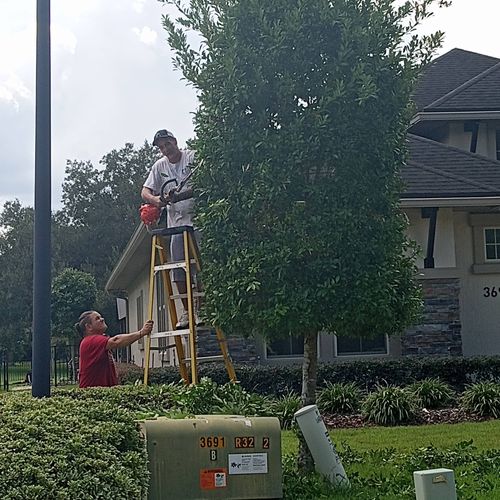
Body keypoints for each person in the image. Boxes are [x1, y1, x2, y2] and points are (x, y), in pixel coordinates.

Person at [141, 129, 201, 328]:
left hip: (199, 221)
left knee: (201, 268)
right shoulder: (159, 166)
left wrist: (180, 196)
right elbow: (145, 191)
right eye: (161, 147)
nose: (165, 149)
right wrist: (157, 200)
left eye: (167, 144)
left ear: (175, 141)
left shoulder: (192, 157)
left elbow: (205, 183)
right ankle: (187, 312)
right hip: (176, 225)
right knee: (178, 271)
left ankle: (203, 309)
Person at [76, 310, 153, 388]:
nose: (102, 319)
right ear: (88, 326)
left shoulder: (97, 341)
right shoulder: (90, 341)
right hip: (92, 395)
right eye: (97, 318)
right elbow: (116, 341)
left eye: (100, 317)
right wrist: (142, 332)